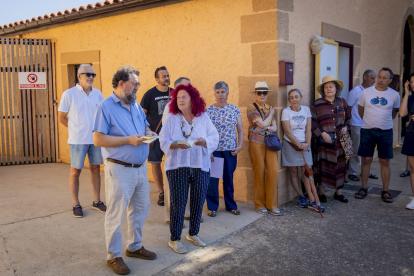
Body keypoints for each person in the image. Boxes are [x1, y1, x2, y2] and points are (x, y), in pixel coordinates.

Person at [93, 66, 157, 275]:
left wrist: (149, 134)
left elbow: (145, 127)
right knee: (116, 214)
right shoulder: (105, 107)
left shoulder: (136, 107)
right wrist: (128, 140)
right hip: (119, 170)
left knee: (140, 210)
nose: (137, 88)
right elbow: (98, 138)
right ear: (121, 84)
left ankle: (135, 246)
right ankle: (113, 256)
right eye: (134, 84)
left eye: (138, 84)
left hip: (139, 169)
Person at [159, 84, 219, 254]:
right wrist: (175, 145)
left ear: (193, 99)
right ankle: (175, 238)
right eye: (178, 98)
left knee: (198, 199)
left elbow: (214, 136)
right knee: (178, 202)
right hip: (178, 165)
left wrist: (204, 142)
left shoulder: (203, 117)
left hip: (200, 164)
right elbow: (163, 139)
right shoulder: (172, 117)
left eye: (184, 97)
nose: (180, 100)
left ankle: (193, 233)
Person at [58, 64, 106, 218]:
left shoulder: (98, 94)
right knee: (75, 171)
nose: (91, 77)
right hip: (78, 140)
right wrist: (75, 129)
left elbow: (102, 115)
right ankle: (76, 204)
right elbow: (61, 117)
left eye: (93, 74)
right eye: (87, 74)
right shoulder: (69, 94)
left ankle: (97, 201)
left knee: (96, 169)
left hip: (95, 139)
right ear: (79, 76)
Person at [355, 67, 400, 203]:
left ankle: (385, 191)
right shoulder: (366, 93)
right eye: (379, 76)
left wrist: (383, 121)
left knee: (384, 161)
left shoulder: (394, 95)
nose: (380, 80)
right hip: (367, 130)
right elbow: (361, 109)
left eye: (384, 77)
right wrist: (369, 121)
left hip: (385, 131)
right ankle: (363, 188)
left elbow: (394, 113)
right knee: (366, 159)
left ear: (390, 80)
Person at [281, 89, 324, 212]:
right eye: (291, 98)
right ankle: (301, 196)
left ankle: (312, 200)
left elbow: (308, 128)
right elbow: (287, 131)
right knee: (293, 172)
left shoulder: (306, 110)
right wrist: (298, 144)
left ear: (301, 97)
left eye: (296, 97)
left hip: (305, 145)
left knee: (307, 172)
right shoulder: (286, 111)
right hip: (291, 144)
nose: (294, 99)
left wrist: (307, 144)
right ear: (289, 100)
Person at [205, 81, 243, 217]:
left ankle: (231, 206)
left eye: (223, 92)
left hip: (230, 151)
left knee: (228, 178)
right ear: (214, 93)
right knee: (213, 180)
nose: (220, 94)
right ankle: (212, 207)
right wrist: (208, 150)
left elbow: (240, 129)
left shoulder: (234, 109)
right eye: (218, 92)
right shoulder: (208, 110)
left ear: (227, 93)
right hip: (215, 151)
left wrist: (240, 146)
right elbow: (204, 131)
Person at [311, 75, 350, 203]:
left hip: (339, 142)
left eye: (331, 87)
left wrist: (346, 127)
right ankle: (321, 192)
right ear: (323, 90)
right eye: (326, 87)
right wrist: (322, 133)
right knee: (323, 165)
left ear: (336, 88)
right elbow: (312, 122)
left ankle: (338, 193)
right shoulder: (317, 104)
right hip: (324, 141)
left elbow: (349, 118)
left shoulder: (343, 102)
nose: (329, 89)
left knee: (340, 166)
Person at [162, 77, 196, 225]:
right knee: (172, 187)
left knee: (187, 184)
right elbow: (166, 132)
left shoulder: (193, 107)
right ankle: (171, 216)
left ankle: (186, 212)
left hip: (189, 153)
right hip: (175, 152)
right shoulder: (170, 107)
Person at [247, 81, 280, 216]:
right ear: (255, 94)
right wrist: (267, 122)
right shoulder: (251, 107)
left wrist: (261, 127)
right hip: (256, 142)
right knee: (259, 172)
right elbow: (263, 123)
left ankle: (272, 204)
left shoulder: (269, 107)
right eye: (259, 92)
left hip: (269, 142)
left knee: (274, 171)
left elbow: (275, 128)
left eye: (264, 92)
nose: (262, 95)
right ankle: (259, 204)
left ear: (267, 94)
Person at [140, 66, 171, 206]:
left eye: (167, 75)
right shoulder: (150, 94)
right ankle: (161, 192)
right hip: (156, 135)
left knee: (172, 164)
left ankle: (172, 191)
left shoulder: (175, 93)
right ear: (157, 79)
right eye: (163, 76)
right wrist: (146, 131)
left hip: (171, 136)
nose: (167, 78)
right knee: (156, 164)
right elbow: (141, 115)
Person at [347, 70, 379, 181]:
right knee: (356, 149)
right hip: (357, 124)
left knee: (368, 150)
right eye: (372, 78)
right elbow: (349, 108)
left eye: (375, 78)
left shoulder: (373, 92)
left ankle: (366, 171)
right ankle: (352, 172)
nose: (374, 81)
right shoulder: (355, 91)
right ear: (365, 77)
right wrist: (349, 123)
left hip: (370, 125)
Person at [399, 73, 414, 209]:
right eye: (412, 82)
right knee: (413, 169)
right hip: (412, 133)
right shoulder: (410, 98)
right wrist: (406, 93)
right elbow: (402, 113)